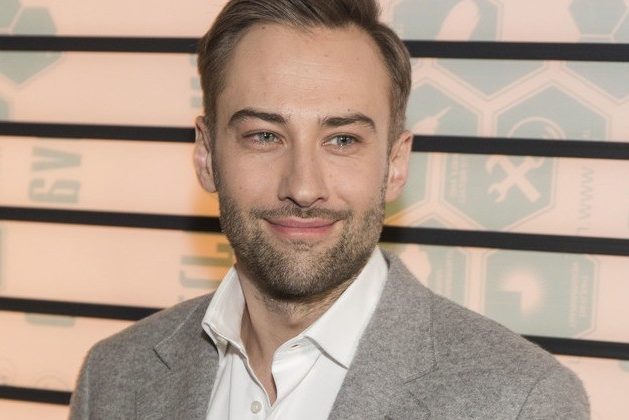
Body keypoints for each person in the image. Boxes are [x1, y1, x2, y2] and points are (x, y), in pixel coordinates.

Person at [69, 0, 590, 418]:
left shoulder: (523, 402)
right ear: (207, 156)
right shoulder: (113, 378)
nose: (303, 186)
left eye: (342, 140)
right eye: (264, 135)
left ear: (395, 164)